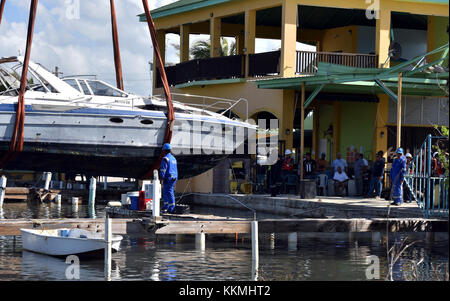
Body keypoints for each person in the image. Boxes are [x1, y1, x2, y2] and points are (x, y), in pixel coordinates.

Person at [159, 143, 178, 213]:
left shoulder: (165, 159)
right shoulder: (173, 158)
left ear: (164, 151)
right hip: (174, 177)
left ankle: (172, 207)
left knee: (169, 191)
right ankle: (166, 205)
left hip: (168, 177)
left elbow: (163, 169)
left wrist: (161, 178)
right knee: (166, 191)